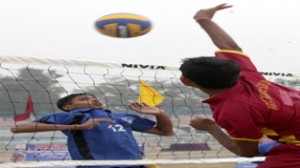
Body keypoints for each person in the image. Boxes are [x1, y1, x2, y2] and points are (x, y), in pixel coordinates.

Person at [179, 3, 300, 168]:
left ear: (185, 80)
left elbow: (248, 152)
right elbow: (231, 47)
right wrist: (203, 19)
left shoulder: (233, 110)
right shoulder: (246, 75)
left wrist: (211, 128)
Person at [11, 93, 174, 168]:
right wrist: (77, 127)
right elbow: (18, 128)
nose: (94, 99)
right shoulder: (74, 116)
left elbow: (165, 132)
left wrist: (160, 113)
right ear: (69, 107)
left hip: (136, 165)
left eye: (94, 97)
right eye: (85, 99)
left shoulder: (121, 117)